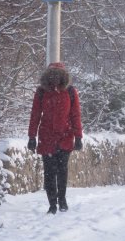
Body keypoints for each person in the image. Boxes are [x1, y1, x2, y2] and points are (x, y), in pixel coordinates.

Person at [27, 62, 83, 214]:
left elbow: (75, 115)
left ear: (63, 76)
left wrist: (78, 136)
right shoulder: (41, 92)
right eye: (53, 74)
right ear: (48, 75)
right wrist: (31, 136)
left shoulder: (71, 92)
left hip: (65, 136)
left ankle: (62, 199)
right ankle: (52, 204)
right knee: (49, 172)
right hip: (47, 137)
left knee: (62, 171)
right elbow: (35, 115)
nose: (55, 77)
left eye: (58, 74)